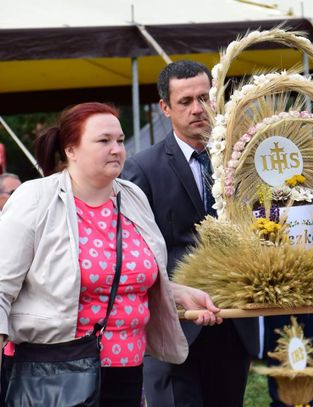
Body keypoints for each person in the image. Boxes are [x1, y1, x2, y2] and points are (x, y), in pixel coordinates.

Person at [0, 102, 221, 407]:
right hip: (54, 372)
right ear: (71, 150)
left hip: (127, 371)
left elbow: (126, 274)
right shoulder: (36, 198)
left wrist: (177, 293)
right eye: (103, 141)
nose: (117, 149)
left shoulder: (132, 197)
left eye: (119, 140)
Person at [122, 60, 259, 407]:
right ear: (165, 108)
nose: (197, 109)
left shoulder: (242, 164)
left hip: (232, 322)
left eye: (204, 98)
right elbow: (134, 251)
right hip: (174, 328)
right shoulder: (141, 168)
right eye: (185, 101)